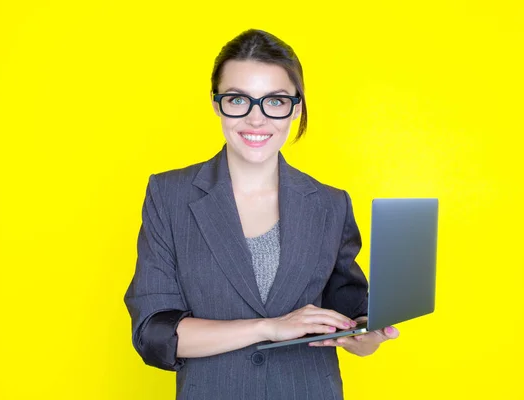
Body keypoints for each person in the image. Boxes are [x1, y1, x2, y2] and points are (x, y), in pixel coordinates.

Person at [124, 28, 399, 400]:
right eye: (239, 100)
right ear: (216, 103)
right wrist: (267, 327)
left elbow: (350, 312)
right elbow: (153, 332)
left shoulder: (331, 204)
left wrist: (366, 335)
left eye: (275, 101)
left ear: (296, 107)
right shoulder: (168, 195)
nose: (257, 119)